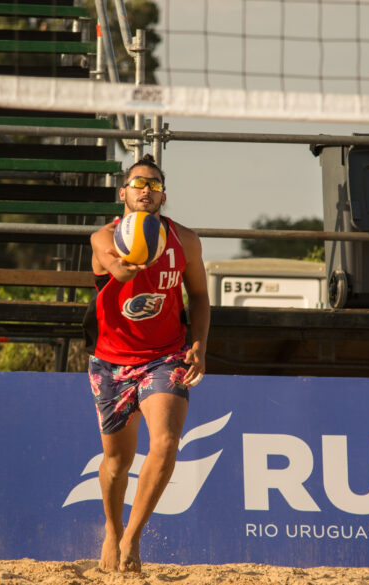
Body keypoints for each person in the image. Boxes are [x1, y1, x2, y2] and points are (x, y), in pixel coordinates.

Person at [82, 153, 210, 573]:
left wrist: (199, 345)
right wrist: (133, 257)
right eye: (139, 183)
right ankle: (112, 529)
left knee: (166, 443)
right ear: (123, 192)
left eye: (154, 186)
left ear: (163, 196)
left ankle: (133, 538)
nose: (146, 190)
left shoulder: (185, 240)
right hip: (112, 360)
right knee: (117, 461)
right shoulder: (103, 237)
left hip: (166, 355)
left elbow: (200, 297)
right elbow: (117, 273)